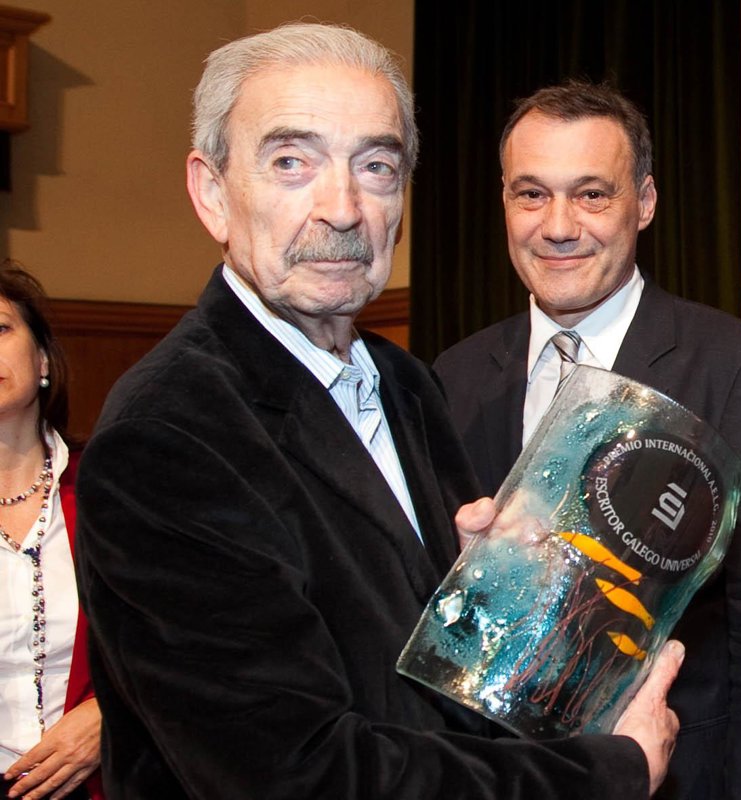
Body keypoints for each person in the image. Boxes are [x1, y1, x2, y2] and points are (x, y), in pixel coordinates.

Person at [73, 22, 682, 799]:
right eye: (292, 162)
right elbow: (298, 775)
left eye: (377, 166)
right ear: (213, 193)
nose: (342, 208)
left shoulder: (405, 383)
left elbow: (431, 679)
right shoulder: (169, 435)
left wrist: (497, 590)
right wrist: (609, 770)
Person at [434, 81, 741, 799]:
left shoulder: (734, 369)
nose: (558, 226)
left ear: (643, 202)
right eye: (531, 194)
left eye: (591, 194)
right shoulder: (452, 378)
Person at [0, 264, 102, 800]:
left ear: (42, 359)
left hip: (101, 782)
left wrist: (112, 711)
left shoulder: (114, 489)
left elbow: (187, 637)